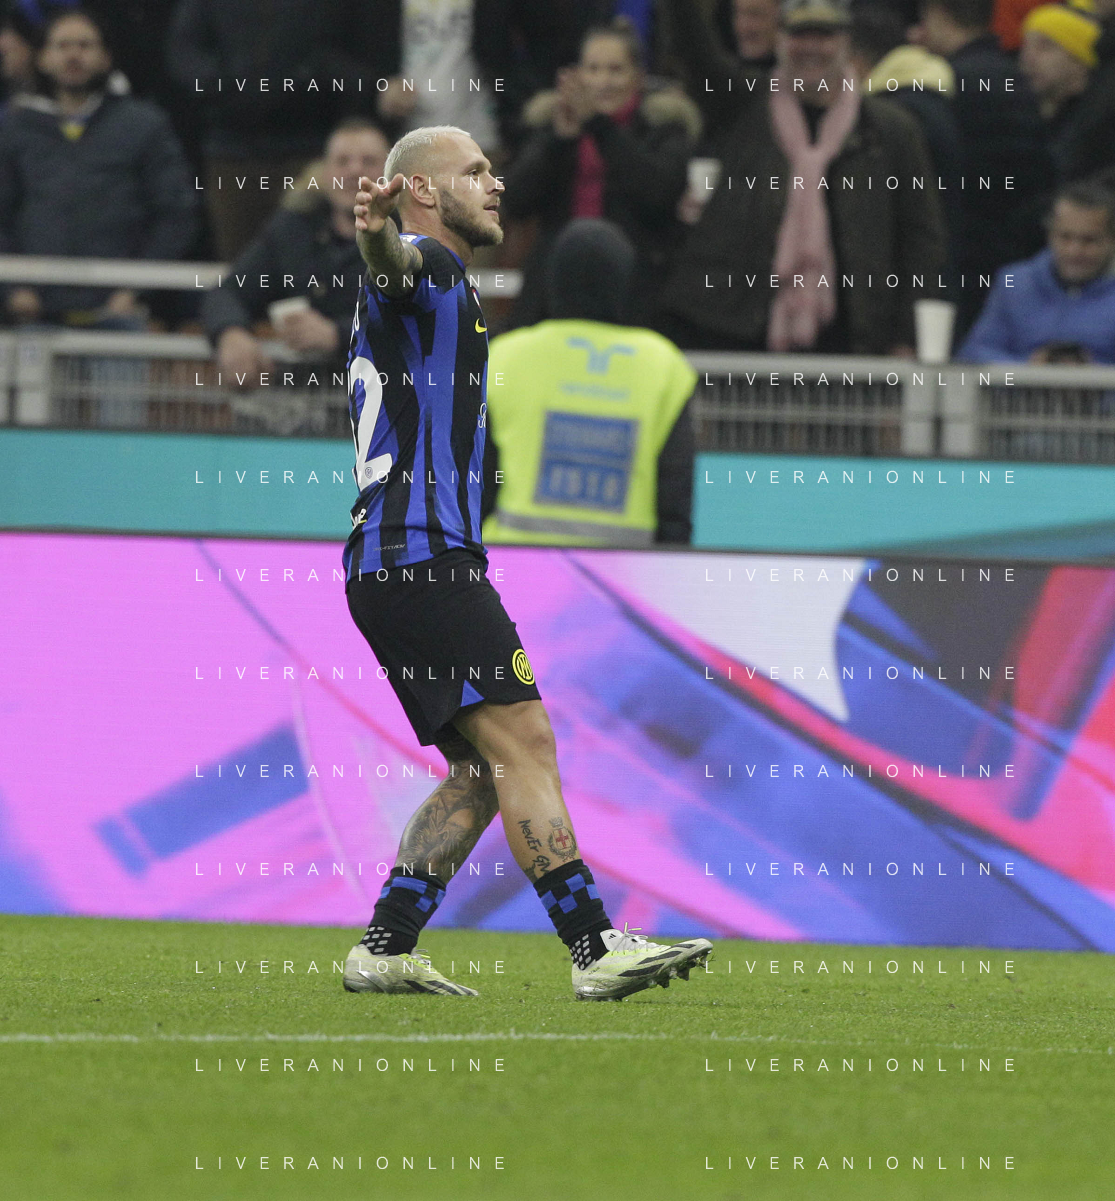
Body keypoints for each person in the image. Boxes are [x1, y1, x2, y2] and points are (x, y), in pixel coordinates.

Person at [340, 123, 713, 1001]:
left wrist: (381, 243)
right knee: (526, 741)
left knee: (482, 766)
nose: (495, 183)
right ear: (422, 191)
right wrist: (375, 234)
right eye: (474, 171)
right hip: (423, 555)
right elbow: (392, 265)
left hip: (391, 562)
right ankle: (593, 947)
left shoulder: (443, 289)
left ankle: (386, 945)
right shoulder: (431, 268)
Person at [657, 0, 948, 353]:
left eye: (824, 36)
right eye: (799, 34)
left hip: (852, 338)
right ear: (779, 40)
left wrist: (906, 337)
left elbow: (921, 241)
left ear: (846, 43)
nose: (811, 47)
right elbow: (693, 49)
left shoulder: (892, 131)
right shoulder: (745, 105)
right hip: (737, 333)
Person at [483, 218, 696, 547]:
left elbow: (474, 486)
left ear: (554, 280)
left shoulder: (505, 356)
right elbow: (674, 505)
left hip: (514, 566)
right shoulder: (664, 366)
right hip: (624, 570)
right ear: (625, 282)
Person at [0, 6, 196, 328]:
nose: (73, 55)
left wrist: (137, 289)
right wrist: (12, 288)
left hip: (120, 314)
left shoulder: (144, 125)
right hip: (34, 315)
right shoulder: (16, 127)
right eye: (62, 45)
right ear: (42, 58)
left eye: (85, 45)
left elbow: (176, 214)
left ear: (106, 57)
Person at [501, 16, 701, 327]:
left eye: (615, 70)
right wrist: (557, 140)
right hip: (550, 297)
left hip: (637, 295)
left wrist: (599, 125)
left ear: (638, 77)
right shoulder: (552, 125)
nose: (603, 81)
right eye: (593, 69)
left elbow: (658, 194)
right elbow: (514, 200)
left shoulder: (664, 129)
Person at [166, 0, 380, 260]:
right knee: (239, 263)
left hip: (305, 149)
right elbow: (185, 52)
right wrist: (230, 89)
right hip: (232, 151)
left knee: (307, 255)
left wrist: (304, 83)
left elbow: (340, 50)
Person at [202, 118, 389, 388]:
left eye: (368, 161)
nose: (355, 171)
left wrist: (338, 335)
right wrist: (230, 333)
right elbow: (228, 292)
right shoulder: (292, 229)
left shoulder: (415, 234)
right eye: (342, 161)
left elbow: (424, 318)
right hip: (303, 398)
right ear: (324, 172)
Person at [913, 0, 1055, 334]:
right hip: (1014, 245)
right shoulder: (1014, 76)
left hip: (968, 252)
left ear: (938, 14)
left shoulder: (950, 82)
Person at [958, 180, 1115, 362]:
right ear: (1050, 234)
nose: (1074, 251)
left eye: (1089, 240)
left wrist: (1093, 371)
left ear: (1111, 240)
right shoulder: (1013, 283)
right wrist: (1029, 367)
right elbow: (974, 353)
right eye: (1065, 237)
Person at [1019, 1, 1102, 179]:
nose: (1028, 57)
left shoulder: (1096, 129)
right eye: (1026, 45)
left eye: (1046, 47)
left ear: (1080, 61)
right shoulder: (1023, 119)